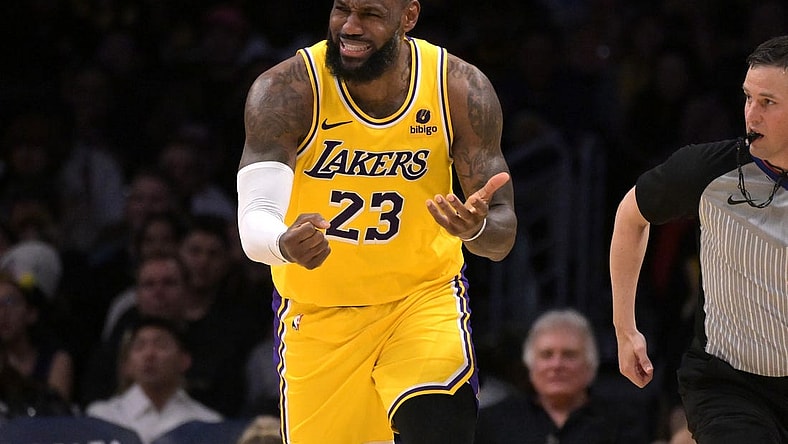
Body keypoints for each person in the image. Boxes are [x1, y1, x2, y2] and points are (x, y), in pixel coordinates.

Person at [236, 0, 517, 442]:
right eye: (341, 9)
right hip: (318, 315)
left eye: (369, 13)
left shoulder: (460, 89)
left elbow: (502, 233)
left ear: (408, 16)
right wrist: (282, 242)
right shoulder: (287, 88)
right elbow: (255, 218)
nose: (349, 26)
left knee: (440, 426)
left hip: (421, 301)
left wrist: (476, 228)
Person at [610, 35, 788, 444]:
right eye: (748, 98)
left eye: (768, 102)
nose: (751, 115)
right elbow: (629, 216)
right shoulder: (709, 171)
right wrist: (624, 329)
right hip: (730, 388)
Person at [475, 309, 625, 443]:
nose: (557, 365)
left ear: (590, 365)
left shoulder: (622, 425)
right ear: (530, 365)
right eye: (546, 355)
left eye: (569, 355)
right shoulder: (490, 423)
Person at [86, 316, 222, 444]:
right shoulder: (102, 416)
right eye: (139, 347)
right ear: (126, 365)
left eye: (161, 345)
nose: (149, 354)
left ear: (184, 361)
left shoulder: (208, 422)